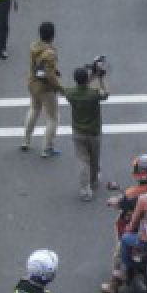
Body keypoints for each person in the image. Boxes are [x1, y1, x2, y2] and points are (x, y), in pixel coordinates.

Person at [101, 154, 147, 293]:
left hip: (141, 230)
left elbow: (121, 202)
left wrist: (114, 201)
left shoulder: (132, 194)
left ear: (136, 173)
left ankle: (114, 284)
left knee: (120, 250)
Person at [60, 64, 109, 201]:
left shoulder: (70, 93)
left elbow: (78, 87)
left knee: (83, 160)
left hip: (78, 131)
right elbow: (105, 94)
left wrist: (91, 76)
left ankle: (84, 189)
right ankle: (93, 181)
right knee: (94, 158)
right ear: (87, 79)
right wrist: (99, 78)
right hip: (94, 131)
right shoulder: (94, 94)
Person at [23, 21, 61, 156]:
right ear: (52, 36)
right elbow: (50, 76)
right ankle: (47, 147)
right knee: (53, 117)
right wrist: (60, 87)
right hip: (45, 88)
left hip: (33, 83)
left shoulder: (34, 47)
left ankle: (26, 140)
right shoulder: (50, 53)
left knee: (34, 109)